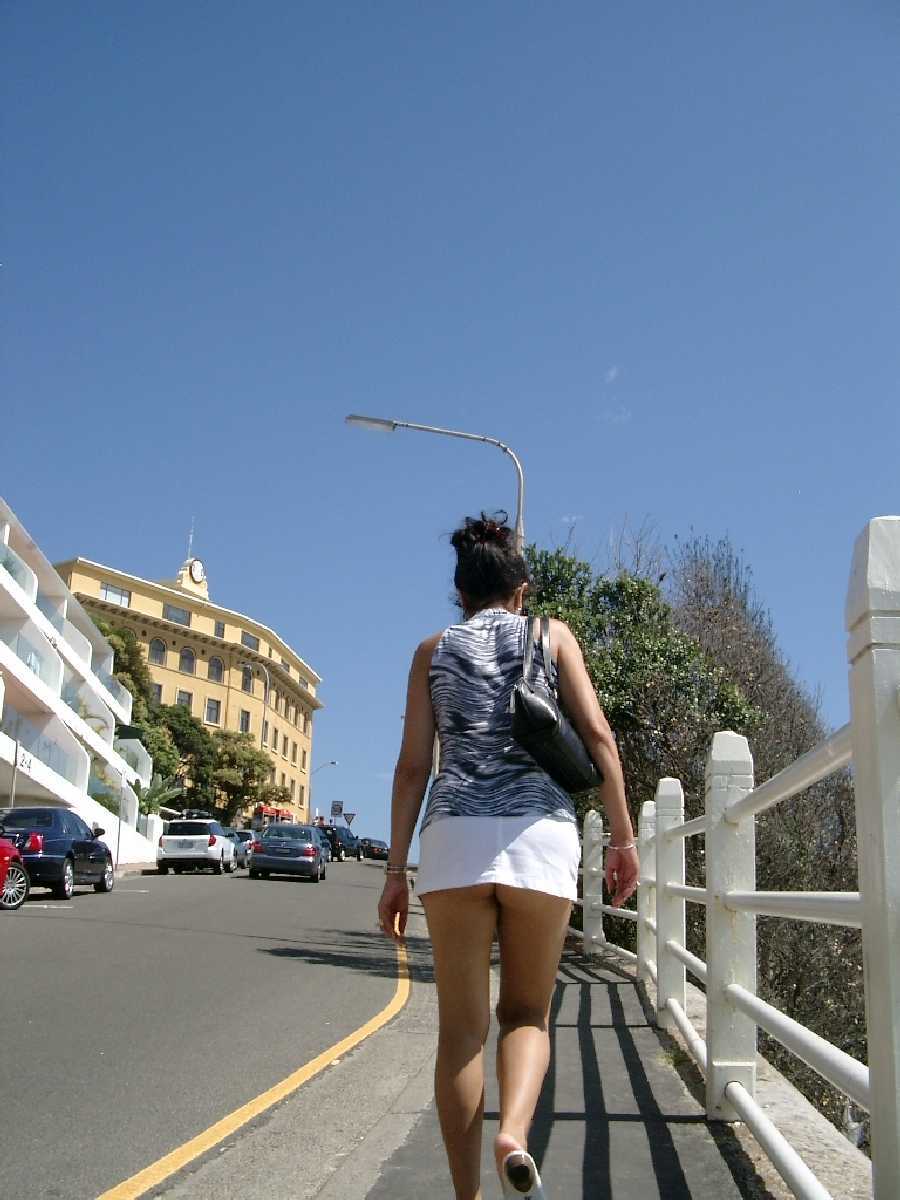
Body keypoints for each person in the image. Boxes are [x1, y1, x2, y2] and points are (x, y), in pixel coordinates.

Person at [378, 512, 639, 1200]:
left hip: (455, 841)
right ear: (521, 589)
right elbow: (599, 737)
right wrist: (622, 839)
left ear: (460, 593)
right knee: (526, 1014)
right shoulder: (552, 637)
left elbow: (412, 770)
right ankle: (514, 1134)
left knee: (460, 1034)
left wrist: (393, 872)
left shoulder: (431, 652)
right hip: (539, 838)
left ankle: (467, 1197)